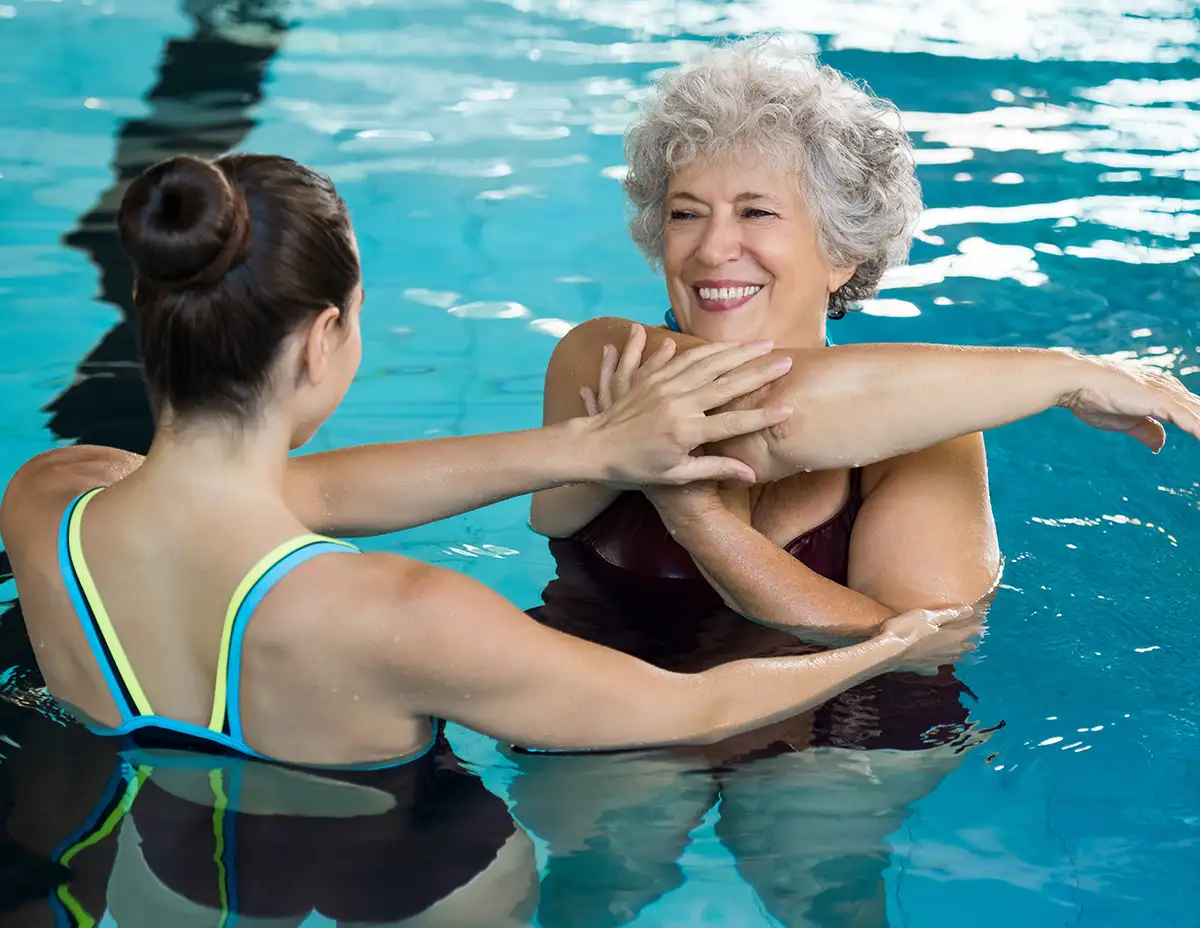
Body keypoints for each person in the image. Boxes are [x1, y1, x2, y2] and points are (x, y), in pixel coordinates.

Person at [0, 150, 971, 878]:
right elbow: (696, 708)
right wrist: (888, 645)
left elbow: (275, 494)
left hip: (148, 871)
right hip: (390, 892)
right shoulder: (403, 617)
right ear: (326, 338)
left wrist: (585, 452)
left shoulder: (48, 499)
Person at [515, 37, 1200, 927]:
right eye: (686, 214)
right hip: (619, 675)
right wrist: (1061, 373)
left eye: (757, 212)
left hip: (844, 716)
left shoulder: (931, 434)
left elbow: (922, 643)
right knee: (597, 884)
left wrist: (702, 523)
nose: (714, 249)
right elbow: (766, 413)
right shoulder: (604, 361)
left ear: (840, 255)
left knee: (821, 890)